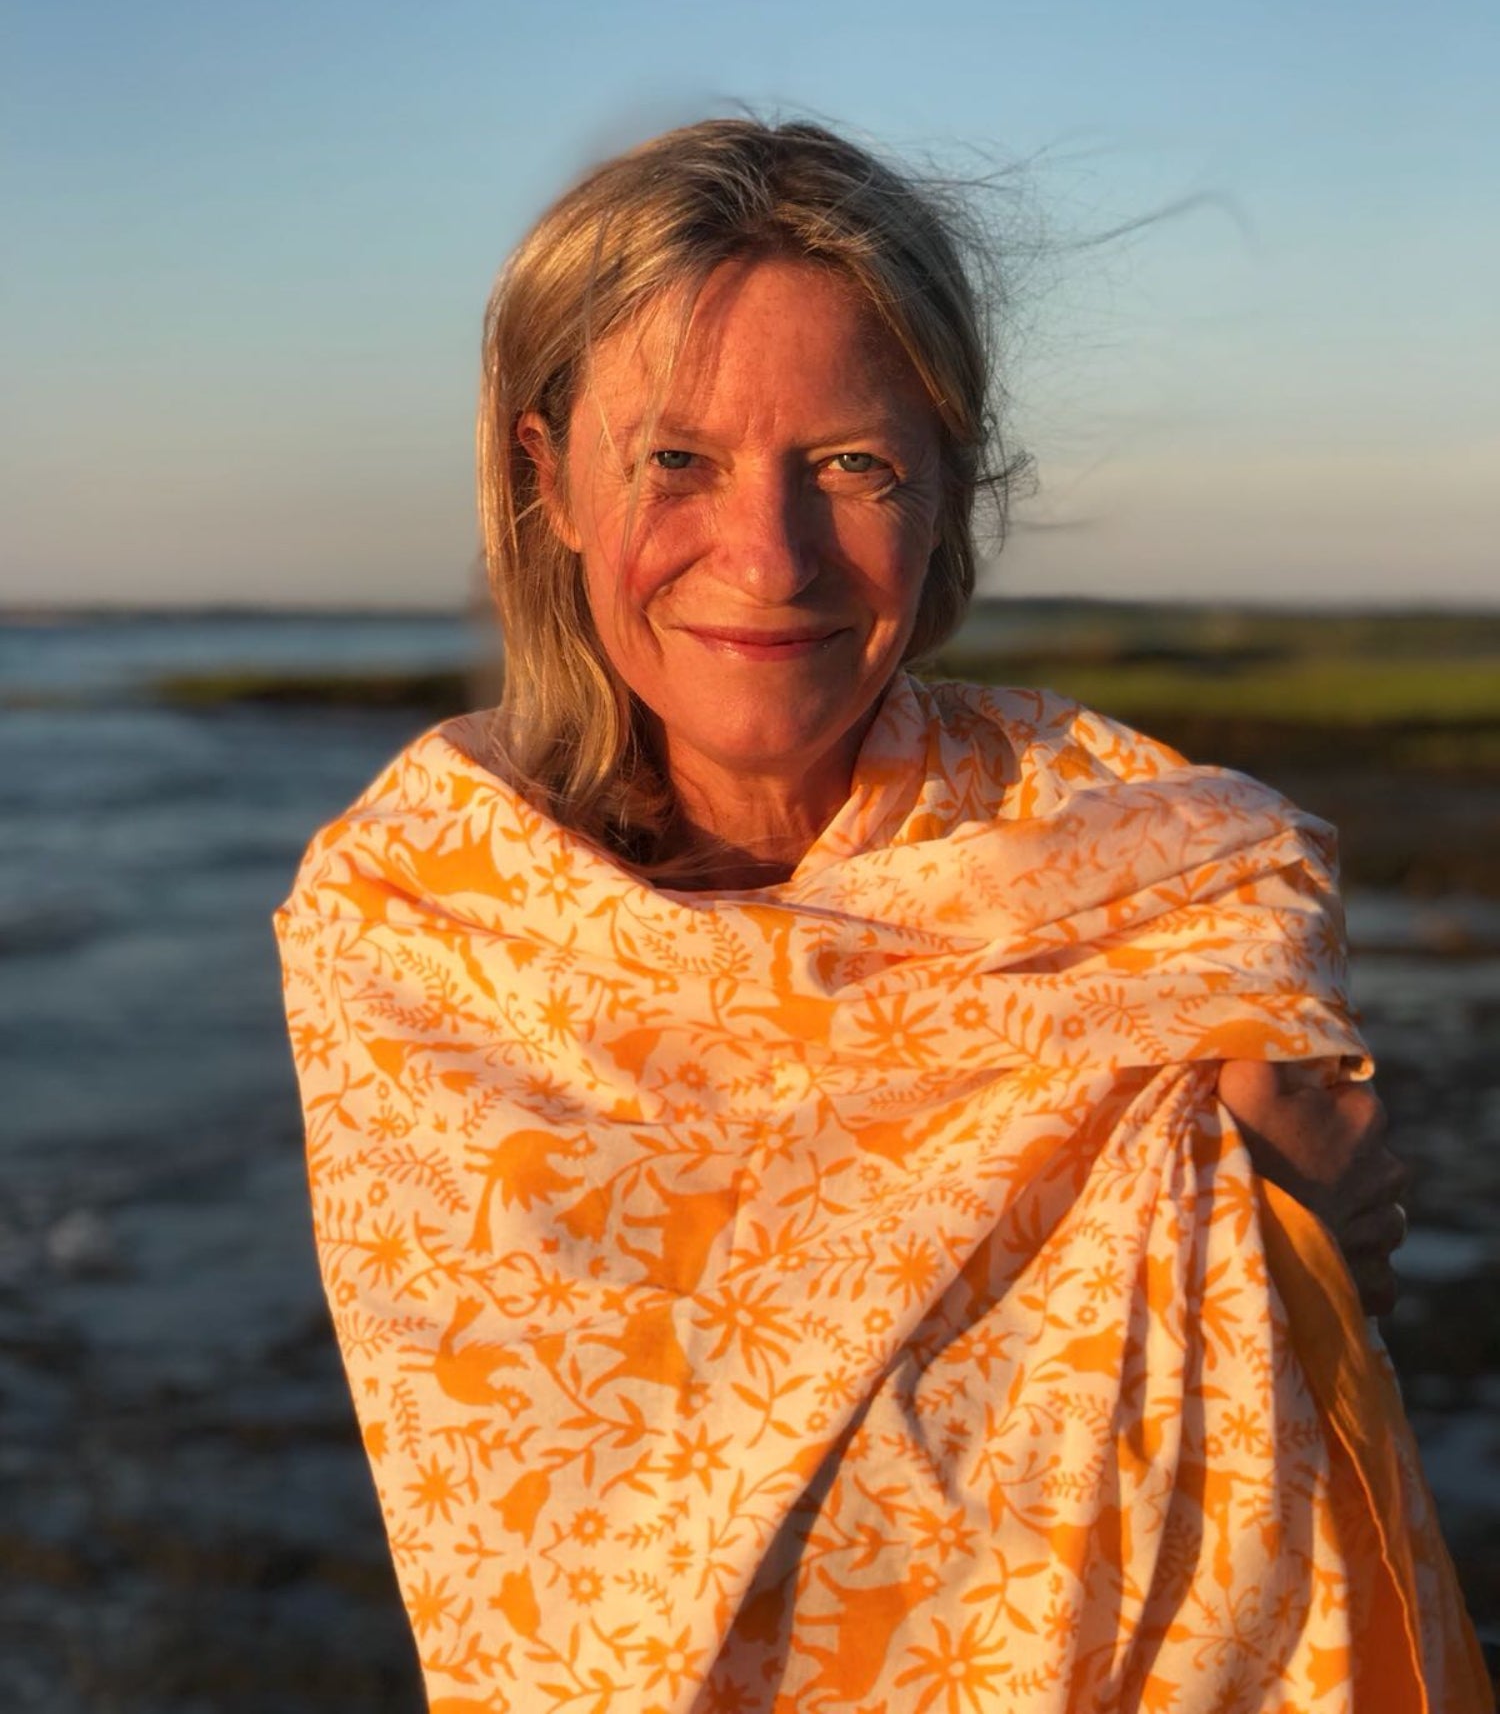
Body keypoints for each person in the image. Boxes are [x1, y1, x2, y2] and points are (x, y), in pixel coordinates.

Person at [274, 118, 1488, 1711]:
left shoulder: (1162, 869)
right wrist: (1249, 1208)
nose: (769, 558)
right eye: (675, 461)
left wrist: (1275, 1235)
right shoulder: (424, 916)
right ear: (545, 476)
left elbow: (1284, 1362)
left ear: (946, 493)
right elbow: (538, 1514)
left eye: (852, 465)